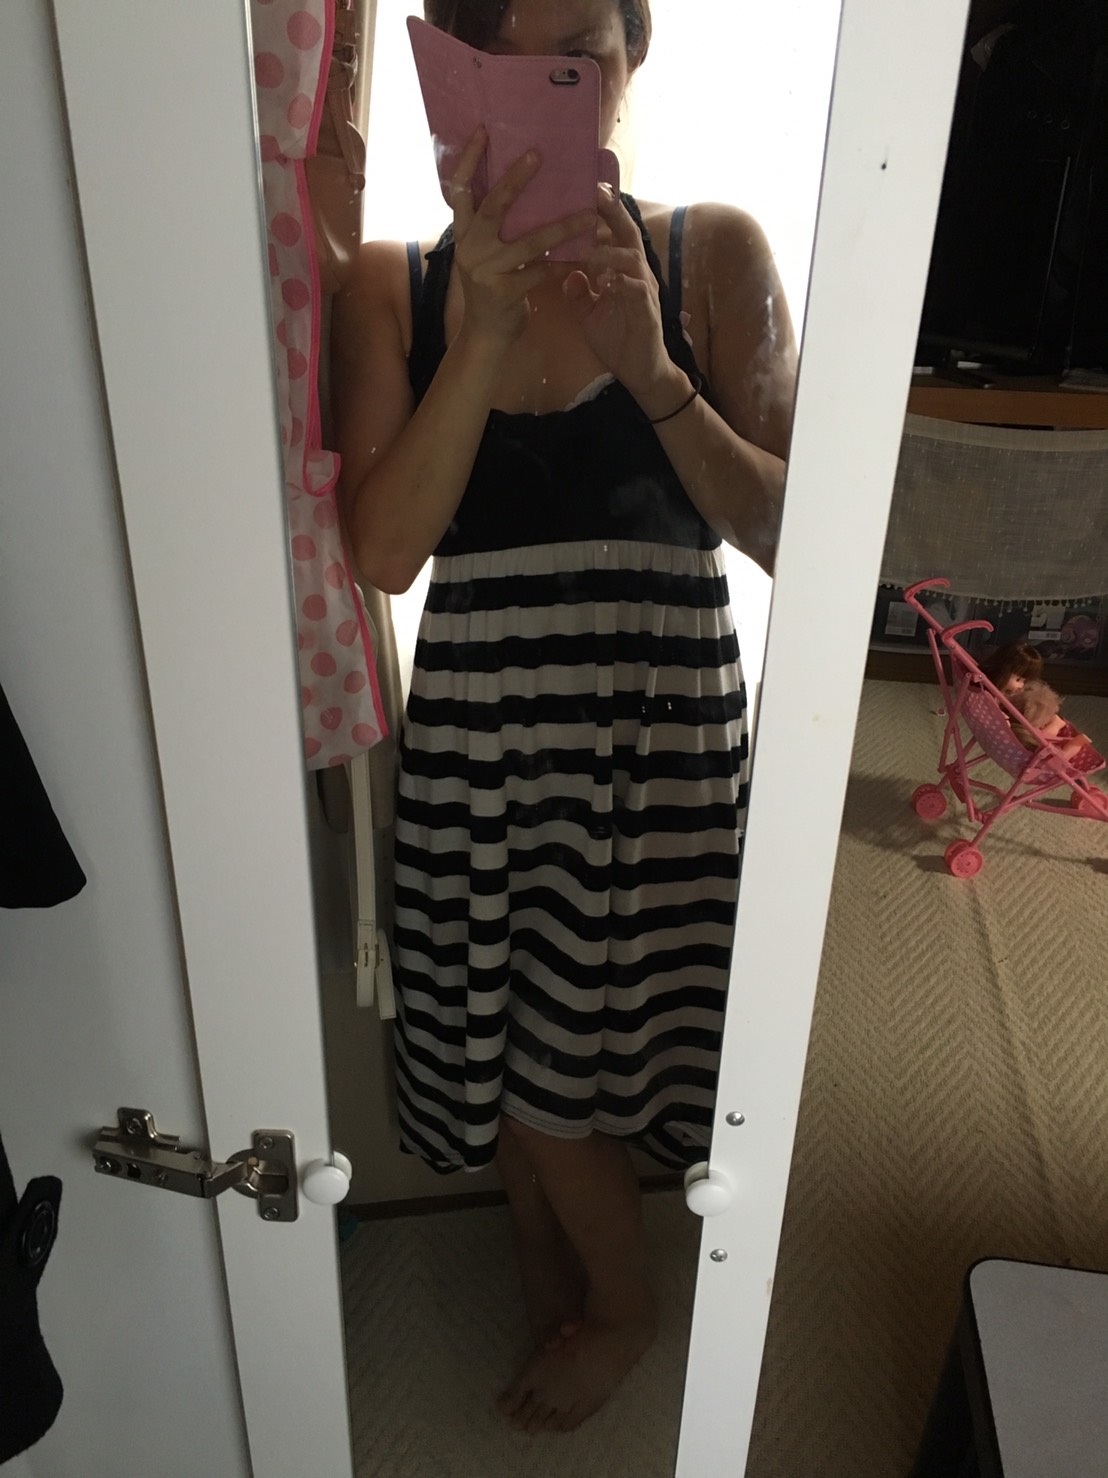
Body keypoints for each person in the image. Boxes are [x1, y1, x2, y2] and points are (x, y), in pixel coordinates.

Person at [331, 0, 797, 1435]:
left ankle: (626, 1305)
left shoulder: (712, 252)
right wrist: (476, 337)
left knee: (567, 1072)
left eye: (579, 49)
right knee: (504, 1046)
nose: (551, 81)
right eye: (496, 54)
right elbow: (384, 553)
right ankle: (557, 1279)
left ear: (632, 54)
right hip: (486, 744)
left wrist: (654, 374)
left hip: (656, 736)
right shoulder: (393, 283)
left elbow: (797, 533)